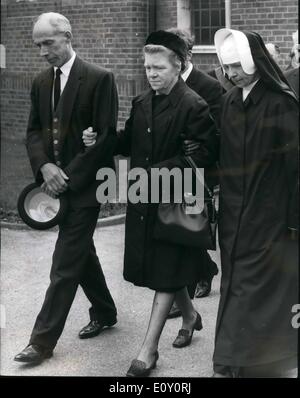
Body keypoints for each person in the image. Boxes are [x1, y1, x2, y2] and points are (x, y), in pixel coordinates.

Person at [84, 30, 218, 376]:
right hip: (145, 201)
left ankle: (149, 350)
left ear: (178, 66)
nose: (152, 74)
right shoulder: (142, 103)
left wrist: (156, 172)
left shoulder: (193, 104)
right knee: (164, 269)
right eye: (147, 68)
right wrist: (102, 139)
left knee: (165, 272)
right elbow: (128, 140)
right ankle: (189, 315)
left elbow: (205, 155)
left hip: (175, 202)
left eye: (159, 67)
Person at [14, 12, 118, 365]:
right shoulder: (40, 82)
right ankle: (104, 311)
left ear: (67, 36)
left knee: (63, 264)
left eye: (49, 43)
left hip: (86, 189)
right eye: (38, 45)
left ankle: (41, 342)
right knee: (79, 255)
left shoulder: (100, 78)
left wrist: (66, 176)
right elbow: (32, 131)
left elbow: (105, 139)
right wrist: (45, 166)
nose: (43, 52)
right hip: (53, 187)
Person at [210, 29, 298, 377]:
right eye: (225, 67)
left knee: (254, 289)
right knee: (233, 284)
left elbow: (296, 169)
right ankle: (232, 359)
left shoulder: (282, 103)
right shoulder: (230, 102)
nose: (229, 74)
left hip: (269, 214)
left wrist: (294, 220)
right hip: (234, 214)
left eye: (235, 66)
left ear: (252, 61)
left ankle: (239, 363)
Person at [164, 28, 220, 313]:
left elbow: (220, 131)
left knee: (188, 224)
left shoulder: (209, 86)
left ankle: (185, 292)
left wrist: (197, 145)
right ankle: (206, 268)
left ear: (188, 54)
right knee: (178, 225)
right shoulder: (162, 83)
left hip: (199, 169)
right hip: (169, 167)